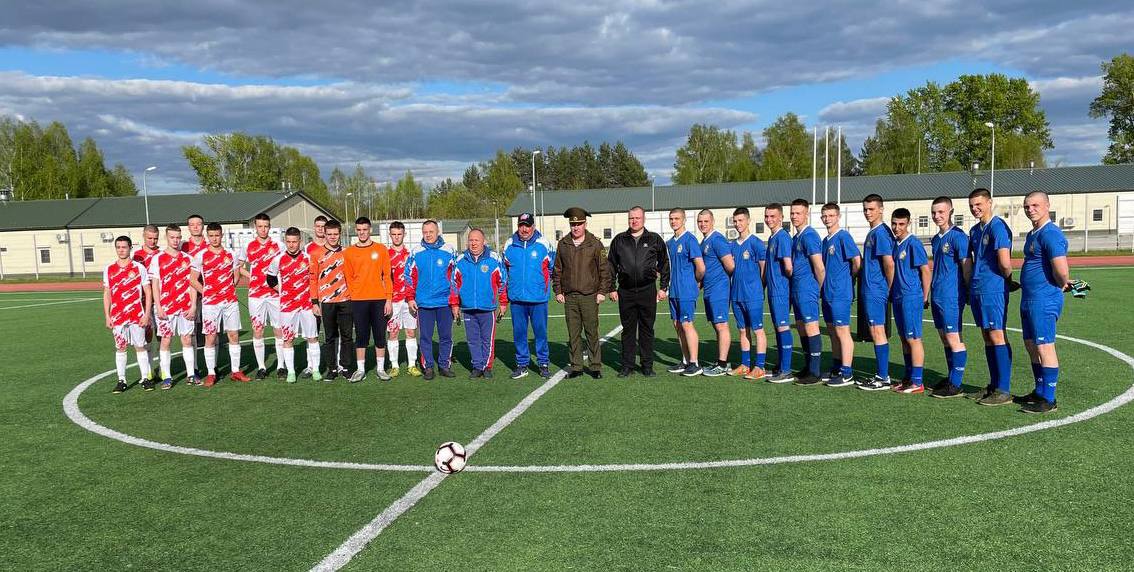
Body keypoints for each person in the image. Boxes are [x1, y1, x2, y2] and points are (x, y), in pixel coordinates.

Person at [1016, 191, 1071, 414]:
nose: (1030, 210)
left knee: (1044, 346)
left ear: (1047, 206)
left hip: (1044, 299)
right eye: (1027, 206)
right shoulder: (1033, 234)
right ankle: (1039, 391)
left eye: (1035, 205)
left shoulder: (1051, 234)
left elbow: (1062, 271)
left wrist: (1062, 283)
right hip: (1029, 299)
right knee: (1031, 345)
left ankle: (1049, 399)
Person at [967, 188, 1017, 406]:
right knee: (987, 336)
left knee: (997, 335)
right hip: (978, 288)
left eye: (979, 204)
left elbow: (1005, 262)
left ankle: (1004, 389)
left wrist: (1008, 280)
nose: (975, 208)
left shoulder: (998, 226)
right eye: (971, 205)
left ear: (990, 203)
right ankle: (994, 385)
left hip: (993, 288)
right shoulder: (974, 230)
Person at [607, 206, 669, 378]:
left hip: (647, 290)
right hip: (625, 291)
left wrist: (663, 287)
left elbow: (664, 263)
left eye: (637, 218)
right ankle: (627, 366)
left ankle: (647, 366)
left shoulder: (654, 239)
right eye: (631, 218)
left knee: (646, 329)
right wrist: (611, 288)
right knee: (628, 330)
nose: (634, 221)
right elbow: (611, 265)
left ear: (643, 219)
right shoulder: (619, 240)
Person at [552, 207, 612, 379]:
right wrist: (558, 290)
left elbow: (604, 270)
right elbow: (557, 270)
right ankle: (576, 367)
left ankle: (595, 366)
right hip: (570, 297)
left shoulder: (595, 244)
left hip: (589, 296)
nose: (576, 227)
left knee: (592, 333)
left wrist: (602, 291)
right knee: (573, 334)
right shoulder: (563, 244)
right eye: (573, 224)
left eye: (579, 224)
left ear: (585, 224)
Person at [189, 222, 250, 386]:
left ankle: (236, 371)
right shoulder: (201, 255)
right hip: (210, 304)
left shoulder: (231, 254)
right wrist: (206, 292)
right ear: (207, 236)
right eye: (211, 236)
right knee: (210, 337)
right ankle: (211, 373)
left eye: (217, 235)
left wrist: (228, 290)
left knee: (233, 335)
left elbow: (236, 276)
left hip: (230, 302)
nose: (214, 239)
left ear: (221, 235)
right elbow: (193, 279)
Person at [449, 229, 508, 378]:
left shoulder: (494, 258)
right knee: (473, 340)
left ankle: (487, 367)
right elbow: (454, 284)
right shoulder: (460, 260)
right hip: (468, 308)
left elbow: (503, 281)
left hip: (487, 308)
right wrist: (455, 305)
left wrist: (503, 302)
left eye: (477, 240)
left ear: (484, 242)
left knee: (487, 340)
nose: (473, 243)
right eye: (471, 240)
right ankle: (477, 366)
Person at [502, 213, 555, 379]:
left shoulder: (544, 244)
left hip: (538, 299)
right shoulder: (509, 245)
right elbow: (505, 270)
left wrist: (540, 286)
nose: (524, 229)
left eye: (527, 225)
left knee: (540, 333)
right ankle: (522, 364)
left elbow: (552, 268)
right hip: (517, 299)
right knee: (519, 333)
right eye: (521, 225)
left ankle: (543, 363)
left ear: (533, 226)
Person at [267, 227, 322, 383]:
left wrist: (315, 301)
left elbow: (315, 280)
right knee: (288, 339)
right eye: (289, 241)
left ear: (300, 241)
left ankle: (316, 370)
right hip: (287, 306)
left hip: (307, 305)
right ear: (285, 241)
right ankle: (291, 372)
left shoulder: (309, 258)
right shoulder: (278, 259)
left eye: (294, 241)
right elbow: (270, 279)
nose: (291, 245)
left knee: (312, 337)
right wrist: (282, 291)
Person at [406, 220, 458, 380]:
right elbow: (408, 275)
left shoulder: (449, 250)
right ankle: (428, 366)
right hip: (424, 303)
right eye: (425, 232)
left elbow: (456, 277)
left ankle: (444, 365)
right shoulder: (416, 252)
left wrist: (455, 301)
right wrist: (410, 298)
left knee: (446, 337)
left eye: (431, 232)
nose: (428, 235)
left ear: (438, 232)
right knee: (425, 337)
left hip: (444, 302)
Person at [929, 197, 970, 399]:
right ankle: (950, 376)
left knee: (954, 338)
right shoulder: (936, 239)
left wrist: (968, 291)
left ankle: (956, 383)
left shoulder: (958, 237)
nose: (937, 216)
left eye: (941, 212)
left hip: (951, 296)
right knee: (944, 338)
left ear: (951, 212)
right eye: (934, 212)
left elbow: (966, 266)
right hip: (937, 295)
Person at [344, 216, 394, 382]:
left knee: (380, 335)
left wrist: (388, 299)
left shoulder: (381, 249)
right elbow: (348, 277)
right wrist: (354, 295)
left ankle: (380, 369)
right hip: (359, 301)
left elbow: (387, 276)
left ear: (370, 230)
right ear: (355, 231)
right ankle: (360, 370)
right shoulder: (349, 252)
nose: (362, 233)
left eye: (365, 229)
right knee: (361, 335)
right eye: (359, 230)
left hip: (379, 300)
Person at [149, 224, 198, 389]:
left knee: (187, 339)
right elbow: (155, 284)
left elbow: (192, 284)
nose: (175, 240)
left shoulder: (188, 259)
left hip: (185, 306)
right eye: (172, 237)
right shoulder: (157, 258)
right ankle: (167, 377)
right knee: (166, 340)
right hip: (166, 307)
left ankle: (191, 374)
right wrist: (158, 306)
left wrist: (193, 306)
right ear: (166, 238)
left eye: (178, 237)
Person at [888, 208, 931, 394]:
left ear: (908, 223)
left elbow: (925, 271)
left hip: (911, 297)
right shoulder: (896, 244)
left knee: (913, 338)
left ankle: (917, 381)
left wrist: (925, 297)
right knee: (904, 338)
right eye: (894, 223)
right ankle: (908, 378)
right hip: (898, 296)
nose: (897, 228)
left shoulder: (913, 244)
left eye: (901, 224)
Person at [104, 236, 154, 393]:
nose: (121, 250)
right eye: (118, 247)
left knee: (140, 346)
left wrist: (146, 314)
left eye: (124, 247)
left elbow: (148, 291)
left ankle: (145, 378)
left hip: (136, 315)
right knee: (120, 347)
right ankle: (121, 380)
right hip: (118, 316)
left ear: (130, 248)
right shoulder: (109, 269)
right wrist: (107, 315)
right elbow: (107, 293)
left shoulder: (139, 268)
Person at [857, 194, 897, 391]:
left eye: (871, 209)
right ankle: (881, 375)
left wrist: (888, 287)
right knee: (875, 330)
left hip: (876, 289)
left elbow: (889, 263)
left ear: (881, 209)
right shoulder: (874, 231)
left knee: (877, 331)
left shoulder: (880, 233)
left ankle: (883, 377)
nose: (867, 212)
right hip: (872, 289)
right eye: (865, 209)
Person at [819, 203, 861, 387]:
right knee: (832, 331)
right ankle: (836, 367)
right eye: (824, 216)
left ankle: (847, 372)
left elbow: (857, 261)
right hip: (827, 292)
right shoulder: (825, 241)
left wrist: (848, 280)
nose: (827, 219)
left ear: (838, 217)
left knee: (843, 331)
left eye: (831, 215)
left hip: (840, 293)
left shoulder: (843, 236)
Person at [239, 213, 284, 379]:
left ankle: (281, 366)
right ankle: (262, 367)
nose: (263, 229)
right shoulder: (248, 245)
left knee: (279, 329)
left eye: (266, 226)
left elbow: (285, 265)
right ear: (255, 227)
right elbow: (239, 267)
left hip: (274, 294)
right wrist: (253, 276)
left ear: (269, 227)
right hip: (256, 295)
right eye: (260, 226)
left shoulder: (279, 245)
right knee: (258, 330)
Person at [309, 219, 353, 380]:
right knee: (329, 337)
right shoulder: (316, 253)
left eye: (335, 234)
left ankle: (346, 367)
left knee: (347, 336)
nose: (333, 237)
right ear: (325, 234)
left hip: (345, 300)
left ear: (340, 234)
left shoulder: (347, 252)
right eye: (330, 234)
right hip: (326, 302)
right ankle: (332, 369)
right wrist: (315, 302)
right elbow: (313, 279)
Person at [693, 210, 735, 376]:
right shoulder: (704, 242)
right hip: (710, 290)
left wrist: (722, 283)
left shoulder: (717, 239)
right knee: (717, 326)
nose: (702, 224)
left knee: (721, 325)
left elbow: (730, 265)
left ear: (712, 221)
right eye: (700, 221)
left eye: (706, 221)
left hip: (719, 290)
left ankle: (723, 365)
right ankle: (720, 361)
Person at [728, 207, 768, 380]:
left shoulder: (756, 243)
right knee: (742, 330)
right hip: (736, 295)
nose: (738, 224)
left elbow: (764, 269)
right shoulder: (731, 245)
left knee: (758, 330)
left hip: (753, 295)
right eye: (735, 221)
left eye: (741, 220)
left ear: (748, 220)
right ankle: (745, 365)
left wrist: (758, 288)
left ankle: (760, 366)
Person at [788, 199, 825, 385]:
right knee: (802, 327)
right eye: (792, 213)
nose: (794, 216)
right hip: (797, 289)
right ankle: (808, 366)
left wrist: (818, 289)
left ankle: (815, 372)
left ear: (807, 214)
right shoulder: (797, 237)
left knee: (811, 327)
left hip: (807, 289)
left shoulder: (809, 236)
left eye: (798, 213)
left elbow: (819, 267)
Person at [665, 208, 705, 376]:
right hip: (673, 291)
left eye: (677, 218)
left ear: (684, 220)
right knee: (677, 325)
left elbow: (701, 268)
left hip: (686, 290)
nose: (673, 221)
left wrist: (694, 283)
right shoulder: (669, 243)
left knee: (687, 324)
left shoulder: (690, 239)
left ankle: (695, 363)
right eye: (671, 219)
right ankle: (685, 361)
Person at [763, 203, 795, 383]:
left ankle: (786, 370)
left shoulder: (782, 237)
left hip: (781, 290)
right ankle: (780, 365)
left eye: (773, 216)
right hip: (774, 290)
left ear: (781, 218)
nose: (769, 220)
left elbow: (788, 266)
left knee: (783, 327)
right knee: (778, 327)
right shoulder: (773, 237)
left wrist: (783, 283)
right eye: (767, 216)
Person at [386, 221, 421, 377]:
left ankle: (412, 365)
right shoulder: (385, 255)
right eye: (394, 234)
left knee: (410, 332)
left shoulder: (411, 255)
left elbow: (416, 277)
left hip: (409, 300)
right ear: (390, 235)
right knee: (393, 333)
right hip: (392, 301)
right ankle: (394, 365)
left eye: (399, 234)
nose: (396, 237)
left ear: (404, 234)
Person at [132, 224, 162, 382]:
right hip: (143, 302)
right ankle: (149, 370)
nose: (152, 241)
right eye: (149, 238)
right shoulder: (136, 256)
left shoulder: (161, 254)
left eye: (155, 238)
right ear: (143, 236)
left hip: (161, 300)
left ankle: (163, 369)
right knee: (147, 335)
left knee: (162, 335)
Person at [182, 214, 209, 363]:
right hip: (189, 294)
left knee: (210, 332)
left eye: (198, 224)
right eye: (192, 224)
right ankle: (195, 367)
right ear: (188, 227)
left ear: (203, 226)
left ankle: (211, 365)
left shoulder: (210, 245)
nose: (195, 227)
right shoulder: (183, 247)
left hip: (208, 294)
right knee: (191, 333)